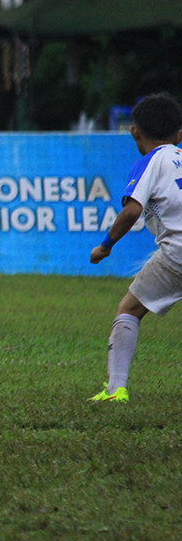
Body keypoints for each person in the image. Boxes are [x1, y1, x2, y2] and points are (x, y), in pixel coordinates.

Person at [88, 92, 182, 404]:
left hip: (177, 253)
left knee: (129, 309)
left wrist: (105, 246)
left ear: (134, 131)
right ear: (179, 135)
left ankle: (116, 390)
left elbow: (131, 211)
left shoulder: (149, 162)